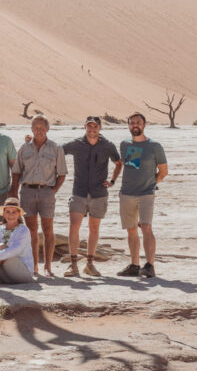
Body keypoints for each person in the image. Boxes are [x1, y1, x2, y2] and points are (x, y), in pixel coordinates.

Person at [60, 116, 121, 277]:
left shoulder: (107, 145)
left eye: (95, 126)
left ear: (100, 127)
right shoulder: (76, 144)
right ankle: (73, 265)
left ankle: (89, 264)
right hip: (78, 192)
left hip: (99, 193)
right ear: (85, 127)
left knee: (94, 228)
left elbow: (119, 162)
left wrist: (112, 181)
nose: (92, 129)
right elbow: (58, 151)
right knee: (74, 226)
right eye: (89, 126)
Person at [113, 112, 168, 278]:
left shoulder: (154, 146)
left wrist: (151, 184)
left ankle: (150, 265)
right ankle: (135, 265)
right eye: (132, 123)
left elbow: (163, 171)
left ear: (144, 125)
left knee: (146, 227)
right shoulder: (124, 144)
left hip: (146, 194)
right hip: (127, 193)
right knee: (131, 230)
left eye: (138, 122)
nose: (135, 125)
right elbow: (129, 165)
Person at [11, 116, 66, 277]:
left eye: (42, 128)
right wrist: (14, 191)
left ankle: (48, 267)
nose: (39, 131)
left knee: (48, 229)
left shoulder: (56, 148)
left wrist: (52, 191)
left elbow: (61, 174)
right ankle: (34, 265)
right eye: (36, 128)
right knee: (31, 230)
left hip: (47, 192)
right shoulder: (25, 148)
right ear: (32, 129)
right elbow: (16, 171)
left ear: (48, 129)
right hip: (27, 192)